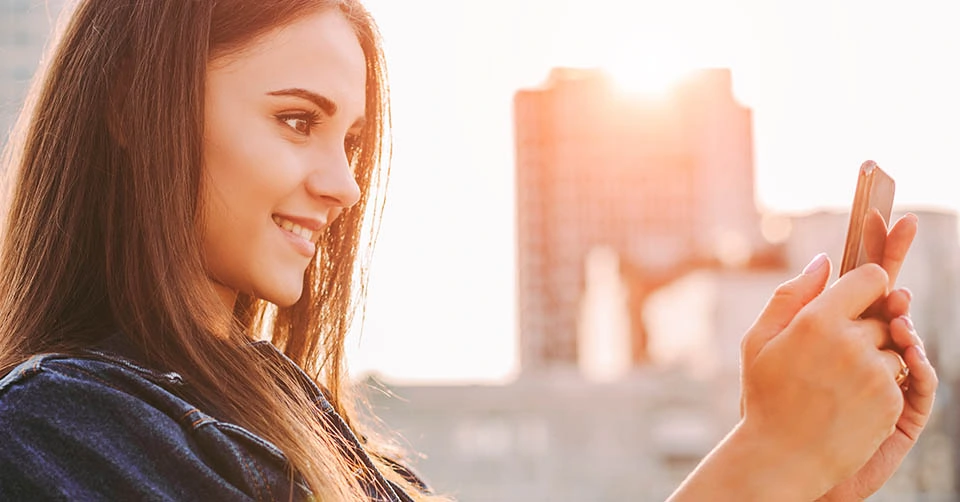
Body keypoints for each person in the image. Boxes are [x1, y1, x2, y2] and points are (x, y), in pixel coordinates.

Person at [0, 1, 936, 501]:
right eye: (297, 122)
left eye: (354, 145)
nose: (345, 185)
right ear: (133, 105)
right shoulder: (54, 436)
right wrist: (763, 463)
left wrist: (803, 477)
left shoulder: (307, 424)